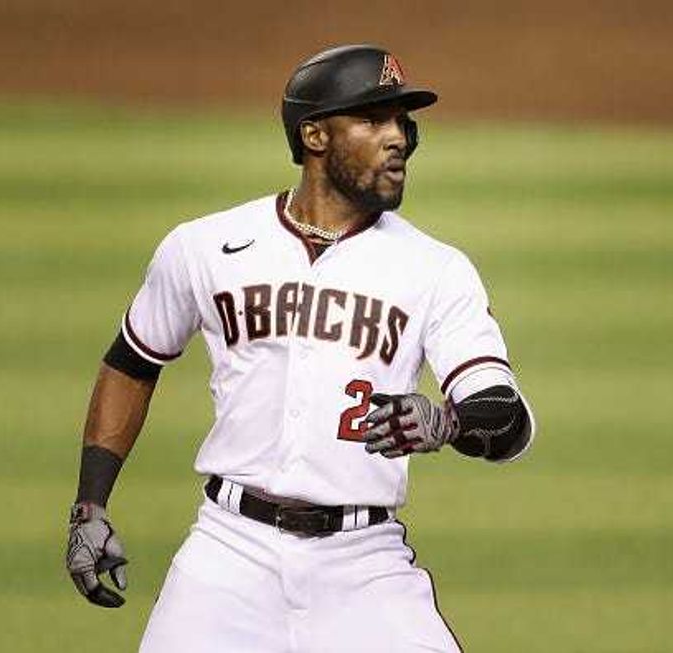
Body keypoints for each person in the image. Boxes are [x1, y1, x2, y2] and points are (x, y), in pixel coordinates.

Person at [65, 44, 536, 653]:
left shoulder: (436, 270)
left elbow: (508, 418)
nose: (397, 138)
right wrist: (89, 506)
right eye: (373, 120)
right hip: (228, 555)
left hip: (365, 566)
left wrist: (446, 422)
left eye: (402, 123)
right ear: (314, 135)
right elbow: (133, 360)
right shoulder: (205, 246)